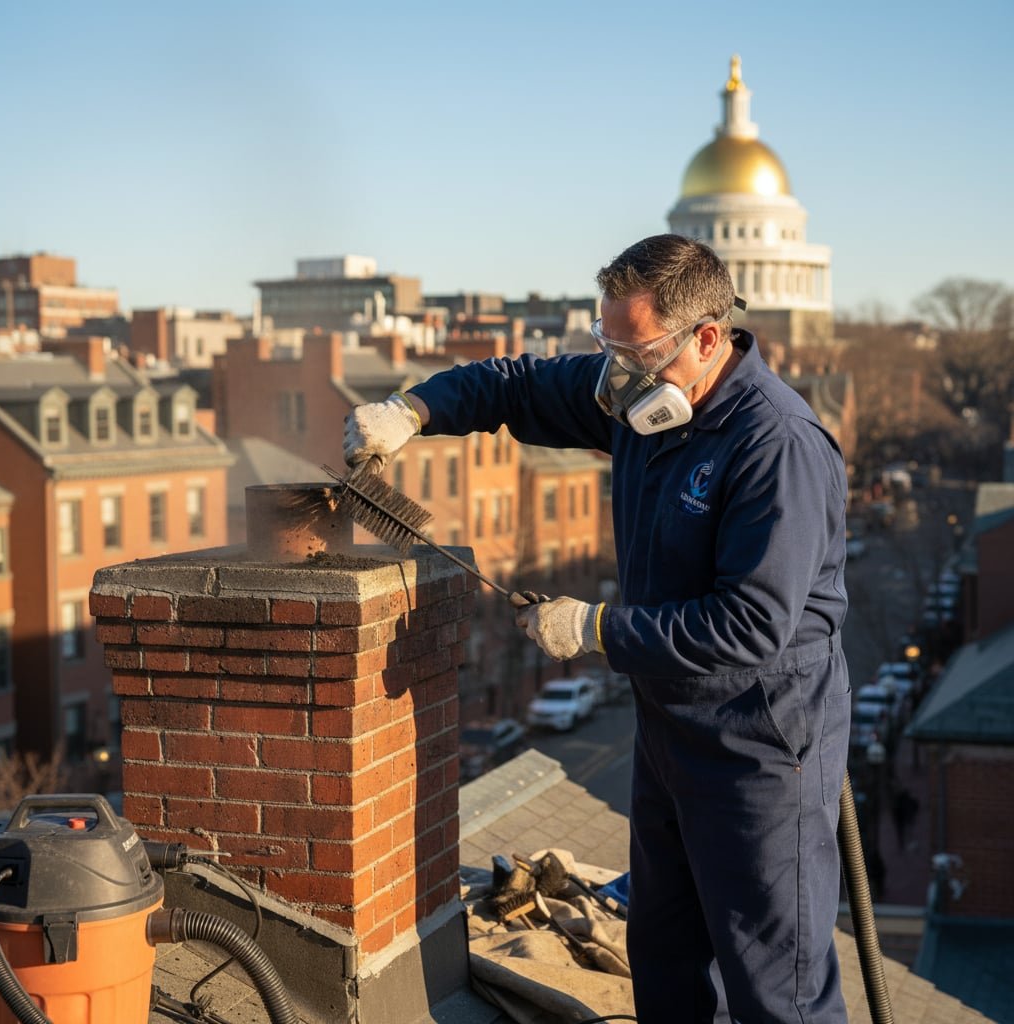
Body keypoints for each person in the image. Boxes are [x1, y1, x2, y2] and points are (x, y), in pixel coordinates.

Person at [344, 234, 851, 1023]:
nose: (617, 376)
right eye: (607, 345)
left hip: (760, 752)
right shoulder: (642, 399)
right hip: (670, 734)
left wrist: (596, 629)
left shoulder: (773, 444)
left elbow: (753, 624)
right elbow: (513, 385)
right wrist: (412, 410)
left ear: (707, 338)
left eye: (636, 352)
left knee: (773, 988)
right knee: (667, 962)